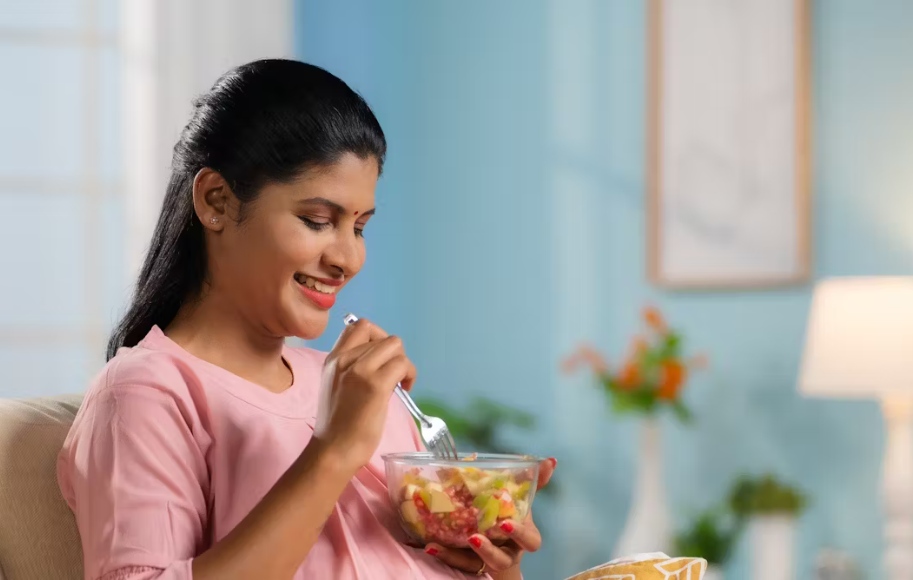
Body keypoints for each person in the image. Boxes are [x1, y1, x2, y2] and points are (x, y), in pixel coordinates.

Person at [57, 59, 554, 580]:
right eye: (318, 221)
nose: (349, 258)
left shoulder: (355, 388)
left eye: (359, 227)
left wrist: (489, 566)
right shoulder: (147, 393)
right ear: (216, 201)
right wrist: (333, 451)